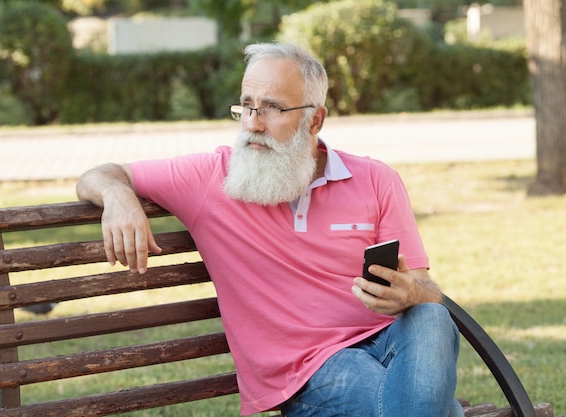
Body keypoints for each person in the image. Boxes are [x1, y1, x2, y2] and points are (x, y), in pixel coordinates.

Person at [76, 42, 463, 417]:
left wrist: (411, 291)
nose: (253, 124)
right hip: (307, 372)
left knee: (432, 317)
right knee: (431, 406)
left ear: (315, 119)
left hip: (388, 340)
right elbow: (100, 174)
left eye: (273, 108)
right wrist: (117, 195)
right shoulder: (211, 178)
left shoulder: (377, 179)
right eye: (246, 106)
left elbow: (426, 288)